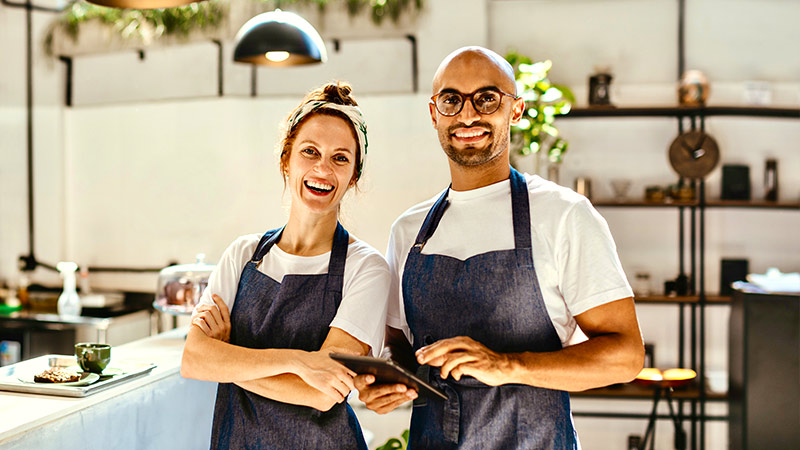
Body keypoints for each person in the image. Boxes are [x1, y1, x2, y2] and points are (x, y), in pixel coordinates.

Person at [354, 47, 645, 449]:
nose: (468, 115)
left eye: (487, 98)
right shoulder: (409, 230)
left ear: (516, 110)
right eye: (451, 100)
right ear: (434, 113)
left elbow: (625, 357)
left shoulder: (564, 215)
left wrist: (507, 365)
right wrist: (387, 380)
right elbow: (398, 345)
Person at [181, 81, 390, 450]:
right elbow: (194, 360)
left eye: (341, 158)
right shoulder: (243, 254)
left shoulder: (366, 268)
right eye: (310, 151)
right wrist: (300, 361)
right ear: (286, 160)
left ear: (353, 176)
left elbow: (322, 393)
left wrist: (229, 356)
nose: (323, 168)